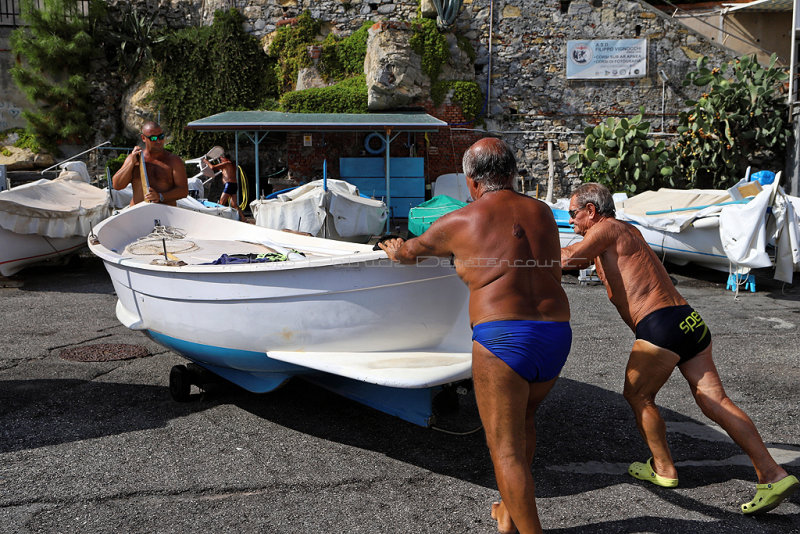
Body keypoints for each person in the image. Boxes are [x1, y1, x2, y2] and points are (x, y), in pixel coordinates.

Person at [561, 182, 798, 515]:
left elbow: (570, 257)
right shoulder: (622, 232)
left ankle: (663, 468)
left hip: (660, 327)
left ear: (591, 211)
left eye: (573, 213)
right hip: (689, 323)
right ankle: (773, 474)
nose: (570, 220)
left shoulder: (607, 227)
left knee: (637, 395)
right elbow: (586, 262)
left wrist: (518, 257)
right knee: (715, 401)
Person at [379, 138, 571, 534]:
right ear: (512, 173)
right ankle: (507, 512)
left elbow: (411, 251)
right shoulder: (544, 213)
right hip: (555, 333)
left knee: (504, 451)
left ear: (470, 181)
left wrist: (395, 248)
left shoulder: (460, 221)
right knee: (525, 422)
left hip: (503, 337)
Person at [112, 121, 188, 206]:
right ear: (143, 138)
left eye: (161, 137)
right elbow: (117, 185)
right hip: (138, 213)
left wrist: (160, 196)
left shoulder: (174, 161)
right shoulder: (134, 158)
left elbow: (183, 190)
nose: (158, 141)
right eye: (153, 138)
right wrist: (131, 163)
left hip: (165, 214)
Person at [201, 147, 246, 221]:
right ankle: (243, 218)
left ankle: (219, 219)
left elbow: (212, 167)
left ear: (225, 159)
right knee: (234, 205)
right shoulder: (232, 164)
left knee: (221, 203)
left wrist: (206, 161)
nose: (221, 161)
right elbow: (226, 171)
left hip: (229, 185)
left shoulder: (226, 163)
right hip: (234, 185)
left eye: (221, 159)